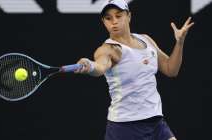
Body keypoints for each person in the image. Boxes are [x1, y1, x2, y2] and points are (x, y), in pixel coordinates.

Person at [75, 0, 194, 140]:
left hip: (156, 122)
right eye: (108, 18)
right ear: (103, 22)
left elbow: (171, 69)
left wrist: (179, 42)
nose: (114, 21)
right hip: (125, 128)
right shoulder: (109, 49)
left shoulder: (146, 40)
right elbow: (100, 66)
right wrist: (90, 66)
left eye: (118, 16)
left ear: (129, 16)